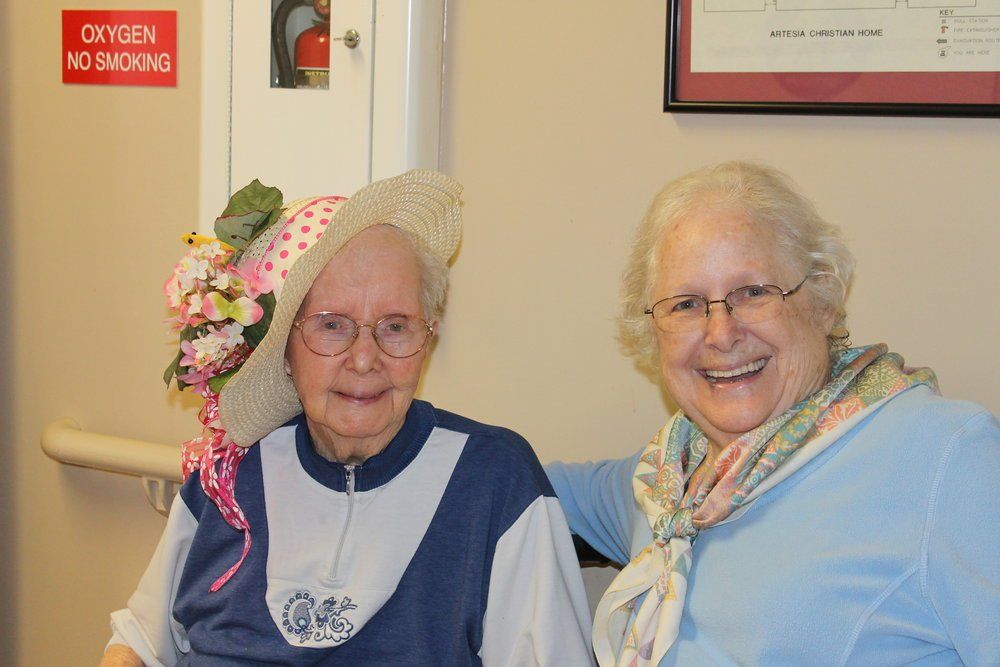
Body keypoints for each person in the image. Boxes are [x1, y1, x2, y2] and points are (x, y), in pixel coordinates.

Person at [103, 170, 594, 666]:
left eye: (395, 326)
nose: (364, 359)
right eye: (332, 325)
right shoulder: (230, 470)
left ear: (428, 338)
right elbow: (140, 641)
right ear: (285, 352)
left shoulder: (494, 479)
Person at [546, 162, 1000, 666]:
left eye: (754, 293)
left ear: (823, 301)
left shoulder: (947, 456)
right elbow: (511, 477)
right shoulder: (665, 483)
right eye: (687, 304)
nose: (721, 333)